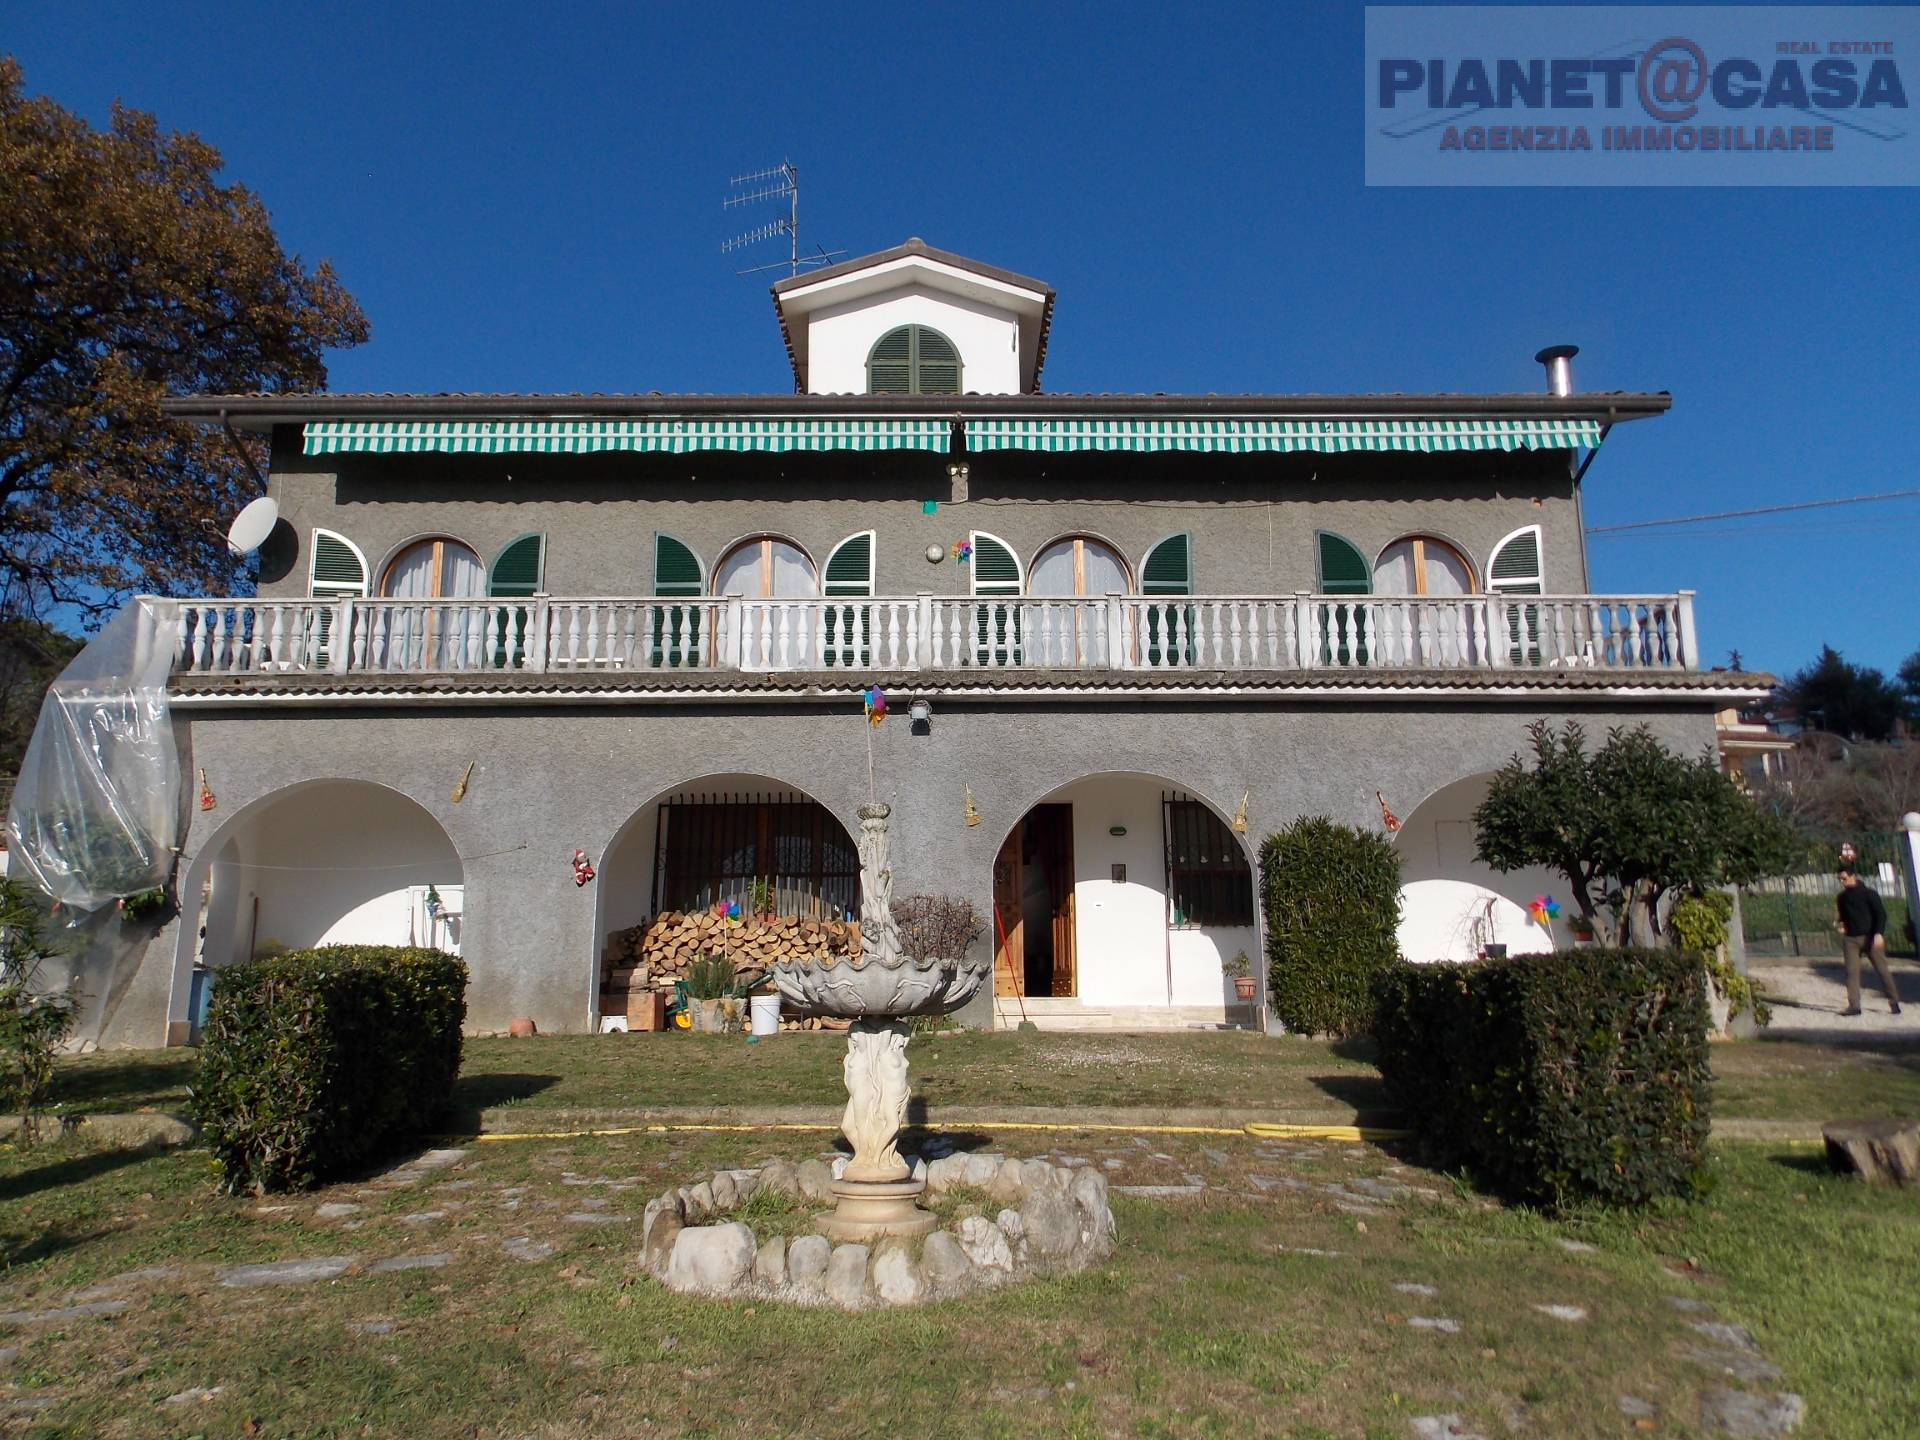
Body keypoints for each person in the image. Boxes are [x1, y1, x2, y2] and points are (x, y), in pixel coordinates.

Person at [1835, 864, 1902, 1017]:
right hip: (1851, 939)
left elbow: (1881, 915)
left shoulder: (1869, 894)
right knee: (1851, 972)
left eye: (1844, 878)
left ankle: (1893, 1001)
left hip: (1870, 937)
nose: (1842, 882)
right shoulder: (1842, 898)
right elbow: (1843, 916)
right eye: (1839, 879)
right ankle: (1854, 1006)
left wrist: (1879, 933)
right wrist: (1842, 925)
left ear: (1853, 876)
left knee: (1882, 970)